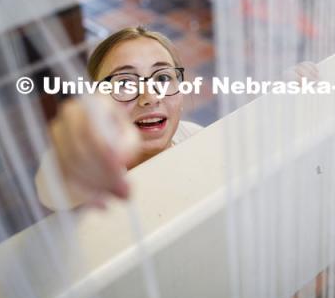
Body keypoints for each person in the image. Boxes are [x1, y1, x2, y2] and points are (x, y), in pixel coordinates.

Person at [35, 26, 318, 211]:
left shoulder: (191, 135)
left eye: (162, 77)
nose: (150, 97)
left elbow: (240, 154)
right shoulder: (100, 179)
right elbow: (53, 188)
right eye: (124, 83)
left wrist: (274, 105)